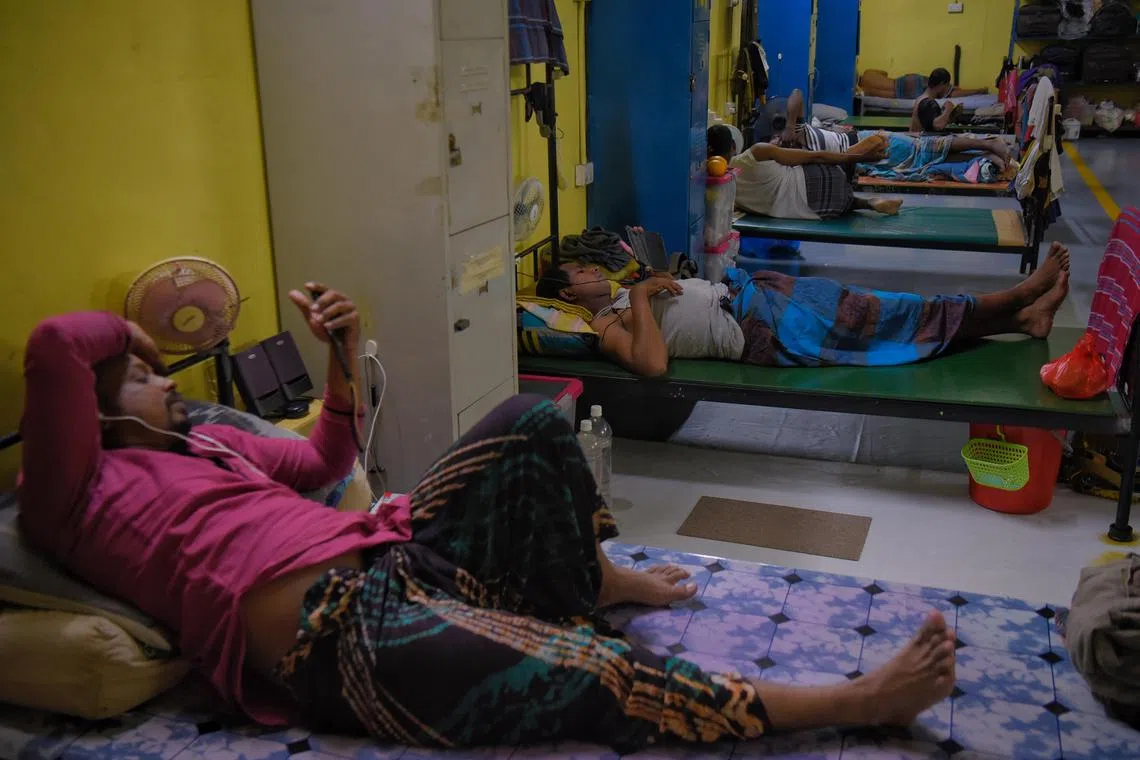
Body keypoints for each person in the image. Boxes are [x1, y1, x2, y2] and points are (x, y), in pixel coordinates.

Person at [20, 284, 959, 752]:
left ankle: (593, 579)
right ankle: (852, 703)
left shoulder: (210, 446)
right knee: (596, 671)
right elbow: (58, 343)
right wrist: (137, 329)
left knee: (531, 424)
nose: (165, 382)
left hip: (395, 555)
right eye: (143, 377)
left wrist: (342, 355)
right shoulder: (73, 500)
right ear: (91, 416)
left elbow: (320, 461)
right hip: (339, 639)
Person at [535, 244, 1070, 375]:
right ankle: (1017, 298)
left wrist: (645, 282)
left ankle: (1022, 317)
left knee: (887, 309)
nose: (592, 271)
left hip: (758, 296)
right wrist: (647, 294)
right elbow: (651, 365)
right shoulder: (604, 323)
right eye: (580, 273)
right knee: (895, 313)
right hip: (762, 328)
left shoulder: (625, 293)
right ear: (566, 294)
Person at [767, 90, 1011, 173]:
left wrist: (790, 126)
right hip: (865, 153)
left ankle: (988, 144)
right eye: (774, 143)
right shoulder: (799, 156)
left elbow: (797, 93)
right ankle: (983, 154)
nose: (776, 140)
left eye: (775, 137)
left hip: (868, 143)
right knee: (926, 157)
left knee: (927, 149)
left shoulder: (798, 132)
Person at [707, 123, 903, 220]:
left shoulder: (714, 185)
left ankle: (869, 203)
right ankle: (871, 200)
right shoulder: (756, 153)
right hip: (827, 181)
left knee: (800, 195)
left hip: (823, 210)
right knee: (812, 159)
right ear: (733, 145)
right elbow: (815, 157)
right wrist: (860, 158)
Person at [909, 68, 986, 133]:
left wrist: (952, 115)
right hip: (920, 145)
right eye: (947, 87)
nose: (947, 91)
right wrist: (948, 110)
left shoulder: (921, 98)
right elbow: (938, 126)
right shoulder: (927, 102)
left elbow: (930, 123)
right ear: (942, 84)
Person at [860, 67, 988, 101]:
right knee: (946, 91)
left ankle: (976, 91)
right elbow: (885, 73)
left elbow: (867, 94)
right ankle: (977, 91)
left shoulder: (866, 88)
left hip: (908, 88)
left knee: (895, 91)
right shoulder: (868, 74)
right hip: (911, 81)